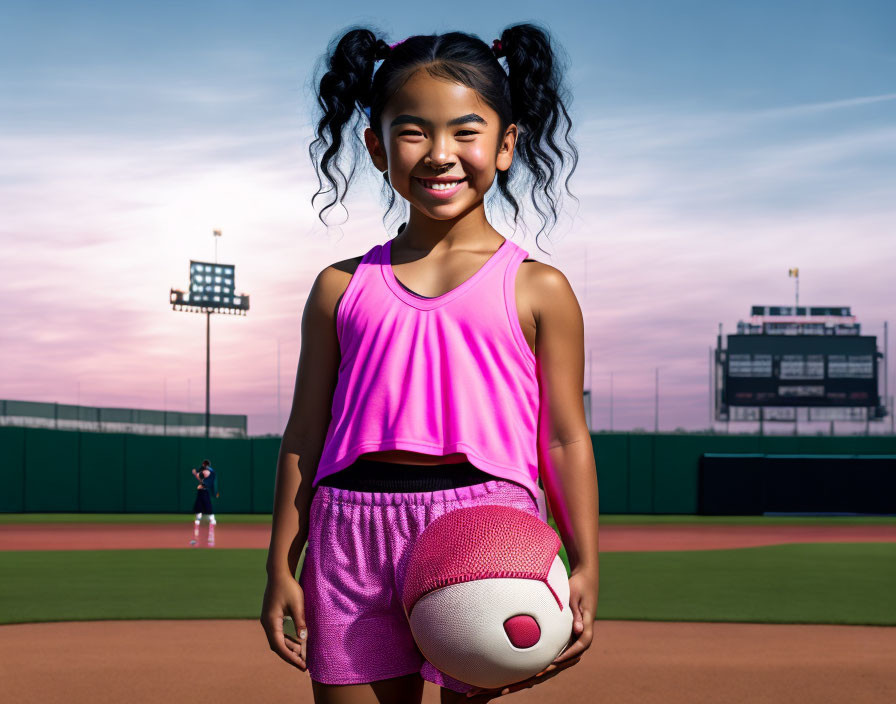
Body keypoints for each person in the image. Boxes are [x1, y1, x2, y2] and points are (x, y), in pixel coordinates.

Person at [261, 24, 599, 704]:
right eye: (413, 131)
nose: (440, 154)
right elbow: (304, 435)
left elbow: (564, 436)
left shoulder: (540, 287)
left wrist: (587, 558)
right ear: (376, 147)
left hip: (486, 526)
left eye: (466, 132)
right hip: (350, 528)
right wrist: (279, 564)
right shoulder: (339, 286)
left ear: (506, 146)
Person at [191, 459, 219, 547]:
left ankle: (212, 519)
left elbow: (208, 481)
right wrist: (196, 474)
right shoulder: (203, 471)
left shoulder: (210, 472)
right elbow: (200, 478)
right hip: (201, 491)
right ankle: (198, 518)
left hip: (205, 490)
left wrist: (195, 473)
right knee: (199, 505)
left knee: (207, 505)